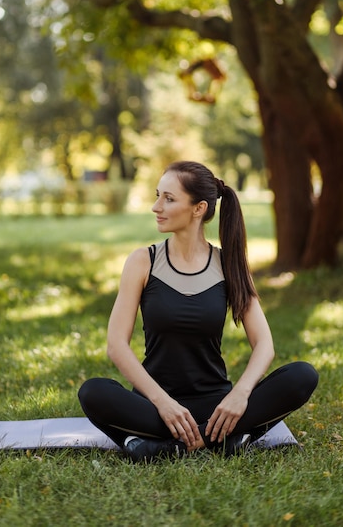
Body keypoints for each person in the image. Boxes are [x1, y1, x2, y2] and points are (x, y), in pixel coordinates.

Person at [78, 161, 318, 462]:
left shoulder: (228, 264)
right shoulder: (143, 261)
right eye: (157, 195)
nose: (156, 206)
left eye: (168, 198)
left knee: (301, 375)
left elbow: (264, 344)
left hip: (217, 407)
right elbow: (116, 345)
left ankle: (161, 447)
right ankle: (224, 442)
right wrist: (163, 403)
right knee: (93, 393)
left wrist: (240, 395)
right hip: (155, 406)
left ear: (198, 208)